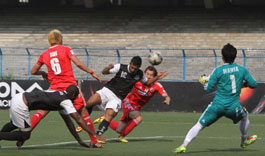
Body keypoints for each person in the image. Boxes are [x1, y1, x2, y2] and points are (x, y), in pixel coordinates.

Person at [172, 43, 258, 154]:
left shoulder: (217, 71)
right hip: (233, 107)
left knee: (199, 125)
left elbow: (208, 89)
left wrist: (203, 82)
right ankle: (244, 140)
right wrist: (243, 83)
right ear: (235, 56)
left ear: (222, 57)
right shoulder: (242, 70)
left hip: (217, 106)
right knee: (245, 116)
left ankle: (184, 145)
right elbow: (254, 84)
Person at [28, 29, 103, 147]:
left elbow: (33, 71)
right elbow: (78, 64)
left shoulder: (45, 54)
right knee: (83, 112)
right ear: (60, 39)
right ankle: (94, 141)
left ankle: (23, 136)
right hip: (70, 89)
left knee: (41, 112)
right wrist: (92, 73)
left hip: (54, 90)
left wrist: (43, 73)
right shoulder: (66, 49)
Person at [84, 56, 168, 137]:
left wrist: (157, 77)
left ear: (139, 67)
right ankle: (84, 122)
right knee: (90, 102)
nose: (133, 70)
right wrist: (108, 68)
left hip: (118, 98)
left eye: (135, 69)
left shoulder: (140, 74)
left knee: (109, 116)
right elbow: (104, 72)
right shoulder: (120, 67)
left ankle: (98, 135)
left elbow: (147, 83)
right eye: (132, 67)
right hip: (108, 90)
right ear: (130, 63)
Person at [0, 85, 105, 148]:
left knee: (13, 124)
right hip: (22, 104)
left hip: (18, 97)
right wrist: (94, 134)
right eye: (76, 97)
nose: (75, 99)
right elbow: (77, 118)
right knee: (25, 136)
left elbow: (69, 123)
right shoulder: (66, 101)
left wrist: (79, 140)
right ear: (73, 95)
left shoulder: (59, 95)